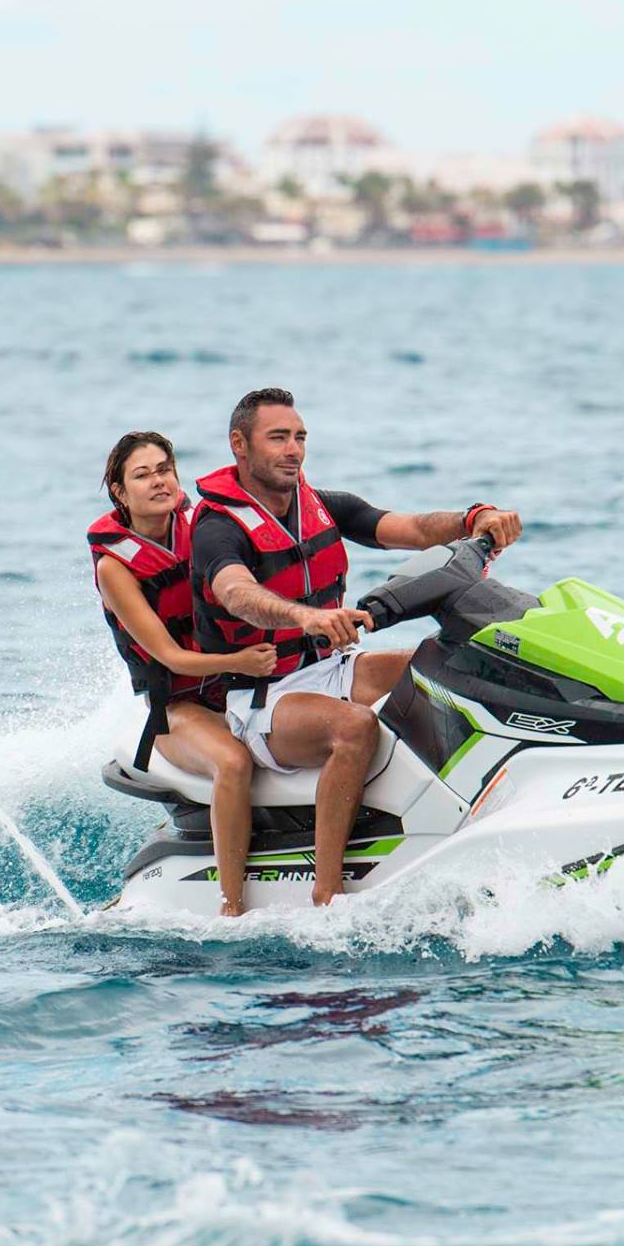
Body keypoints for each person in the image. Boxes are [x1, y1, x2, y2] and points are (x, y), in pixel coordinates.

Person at [189, 388, 522, 906]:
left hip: (330, 668)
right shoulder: (216, 528)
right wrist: (306, 616)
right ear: (240, 444)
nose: (293, 449)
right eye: (278, 438)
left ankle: (483, 805)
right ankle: (327, 894)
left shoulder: (320, 505)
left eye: (299, 437)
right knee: (354, 728)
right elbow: (236, 594)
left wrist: (473, 519)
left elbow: (411, 528)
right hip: (261, 698)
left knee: (447, 662)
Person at [88, 431, 276, 916]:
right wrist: (238, 662)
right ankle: (232, 907)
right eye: (141, 474)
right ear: (119, 491)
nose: (158, 481)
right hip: (178, 709)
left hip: (238, 688)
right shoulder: (115, 568)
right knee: (234, 763)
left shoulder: (204, 529)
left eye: (164, 469)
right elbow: (171, 657)